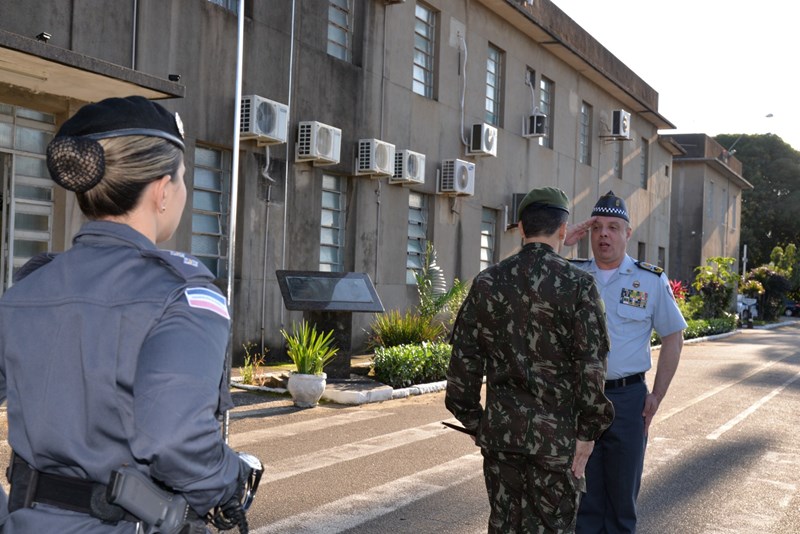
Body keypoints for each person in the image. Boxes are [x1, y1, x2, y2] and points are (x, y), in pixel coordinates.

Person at [0, 96, 261, 533]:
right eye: (182, 179)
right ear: (162, 190)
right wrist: (231, 482)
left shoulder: (27, 289)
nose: (181, 191)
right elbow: (175, 440)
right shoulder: (183, 294)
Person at [445, 186, 615, 533]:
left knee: (505, 526)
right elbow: (592, 366)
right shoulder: (579, 285)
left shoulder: (487, 282)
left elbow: (462, 369)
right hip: (557, 442)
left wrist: (480, 423)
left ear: (520, 228)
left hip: (502, 439)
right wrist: (588, 432)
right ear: (563, 230)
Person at [570, 191, 687, 534]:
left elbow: (673, 338)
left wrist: (657, 397)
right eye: (597, 228)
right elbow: (528, 274)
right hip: (580, 400)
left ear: (627, 234)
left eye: (613, 227)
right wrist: (563, 241)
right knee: (583, 502)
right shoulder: (571, 277)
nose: (603, 234)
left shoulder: (649, 280)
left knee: (622, 504)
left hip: (628, 399)